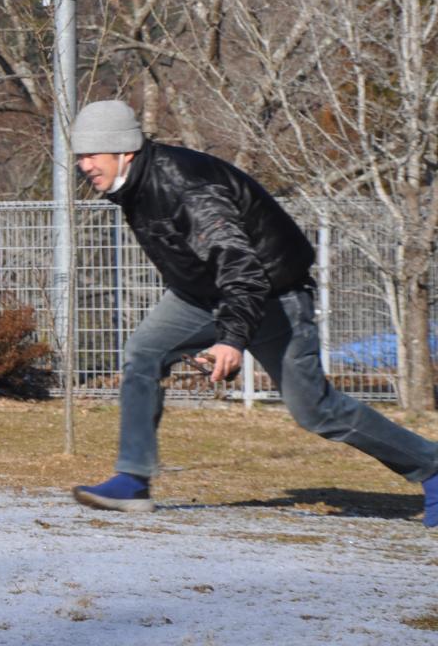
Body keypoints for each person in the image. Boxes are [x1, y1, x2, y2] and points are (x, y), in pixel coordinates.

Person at [66, 99, 438, 526]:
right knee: (144, 352)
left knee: (316, 410)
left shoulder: (187, 188)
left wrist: (231, 339)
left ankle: (431, 465)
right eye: (80, 156)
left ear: (125, 151)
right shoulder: (132, 184)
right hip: (202, 295)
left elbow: (241, 268)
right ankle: (133, 480)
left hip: (273, 295)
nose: (84, 165)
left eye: (92, 154)